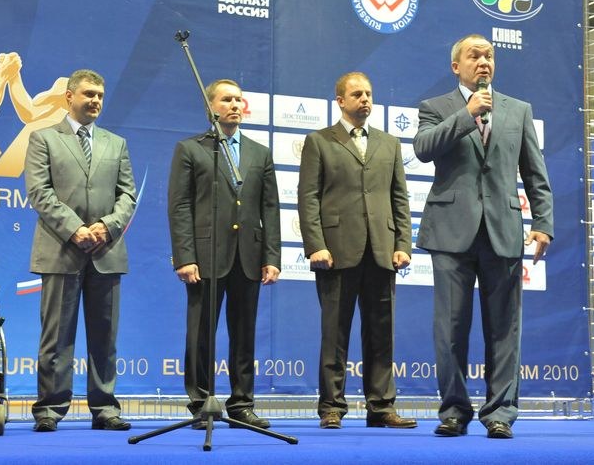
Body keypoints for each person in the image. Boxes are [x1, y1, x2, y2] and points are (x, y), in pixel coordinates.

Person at [413, 34, 553, 439]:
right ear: (456, 66)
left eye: (489, 55)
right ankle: (454, 410)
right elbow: (424, 149)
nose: (484, 62)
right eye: (474, 56)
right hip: (450, 232)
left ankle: (500, 413)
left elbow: (535, 174)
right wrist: (467, 113)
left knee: (505, 328)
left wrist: (542, 222)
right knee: (451, 327)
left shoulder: (519, 111)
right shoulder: (435, 107)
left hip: (503, 229)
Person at [298, 72, 416, 430]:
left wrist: (403, 244)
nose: (365, 99)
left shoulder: (389, 143)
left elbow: (400, 198)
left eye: (368, 93)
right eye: (357, 94)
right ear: (340, 101)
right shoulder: (319, 141)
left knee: (382, 332)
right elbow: (308, 199)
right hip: (335, 252)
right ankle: (331, 407)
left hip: (382, 251)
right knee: (335, 333)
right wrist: (316, 245)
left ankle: (381, 407)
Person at [25, 69, 137, 432]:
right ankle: (50, 409)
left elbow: (127, 195)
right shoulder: (43, 138)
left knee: (105, 336)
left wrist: (107, 226)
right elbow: (40, 192)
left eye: (100, 96)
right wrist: (75, 229)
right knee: (56, 335)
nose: (96, 101)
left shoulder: (115, 143)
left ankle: (105, 408)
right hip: (61, 250)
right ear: (68, 98)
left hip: (107, 251)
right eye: (89, 94)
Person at [168, 79, 280, 429]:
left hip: (248, 255)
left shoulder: (260, 153)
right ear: (211, 106)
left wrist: (272, 256)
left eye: (239, 100)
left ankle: (242, 404)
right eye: (226, 99)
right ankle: (201, 402)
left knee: (244, 335)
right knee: (200, 334)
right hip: (204, 257)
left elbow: (271, 207)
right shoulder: (191, 149)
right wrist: (185, 256)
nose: (234, 105)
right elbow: (180, 206)